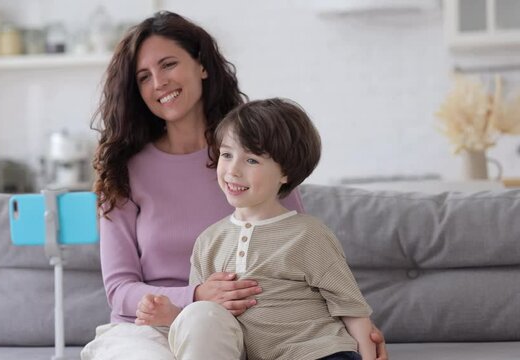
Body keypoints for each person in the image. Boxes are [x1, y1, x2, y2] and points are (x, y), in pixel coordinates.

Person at [81, 11, 388, 360]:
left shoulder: (255, 158)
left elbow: (299, 250)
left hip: (237, 328)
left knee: (208, 321)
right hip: (146, 330)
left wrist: (360, 330)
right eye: (144, 77)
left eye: (168, 65)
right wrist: (196, 295)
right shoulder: (122, 170)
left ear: (202, 65)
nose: (159, 82)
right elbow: (119, 290)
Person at [135, 98, 376, 360]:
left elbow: (350, 307)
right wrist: (171, 315)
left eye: (251, 160)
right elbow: (205, 321)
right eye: (227, 155)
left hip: (321, 353)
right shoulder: (208, 242)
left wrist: (369, 353)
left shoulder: (309, 234)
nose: (233, 170)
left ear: (285, 172)